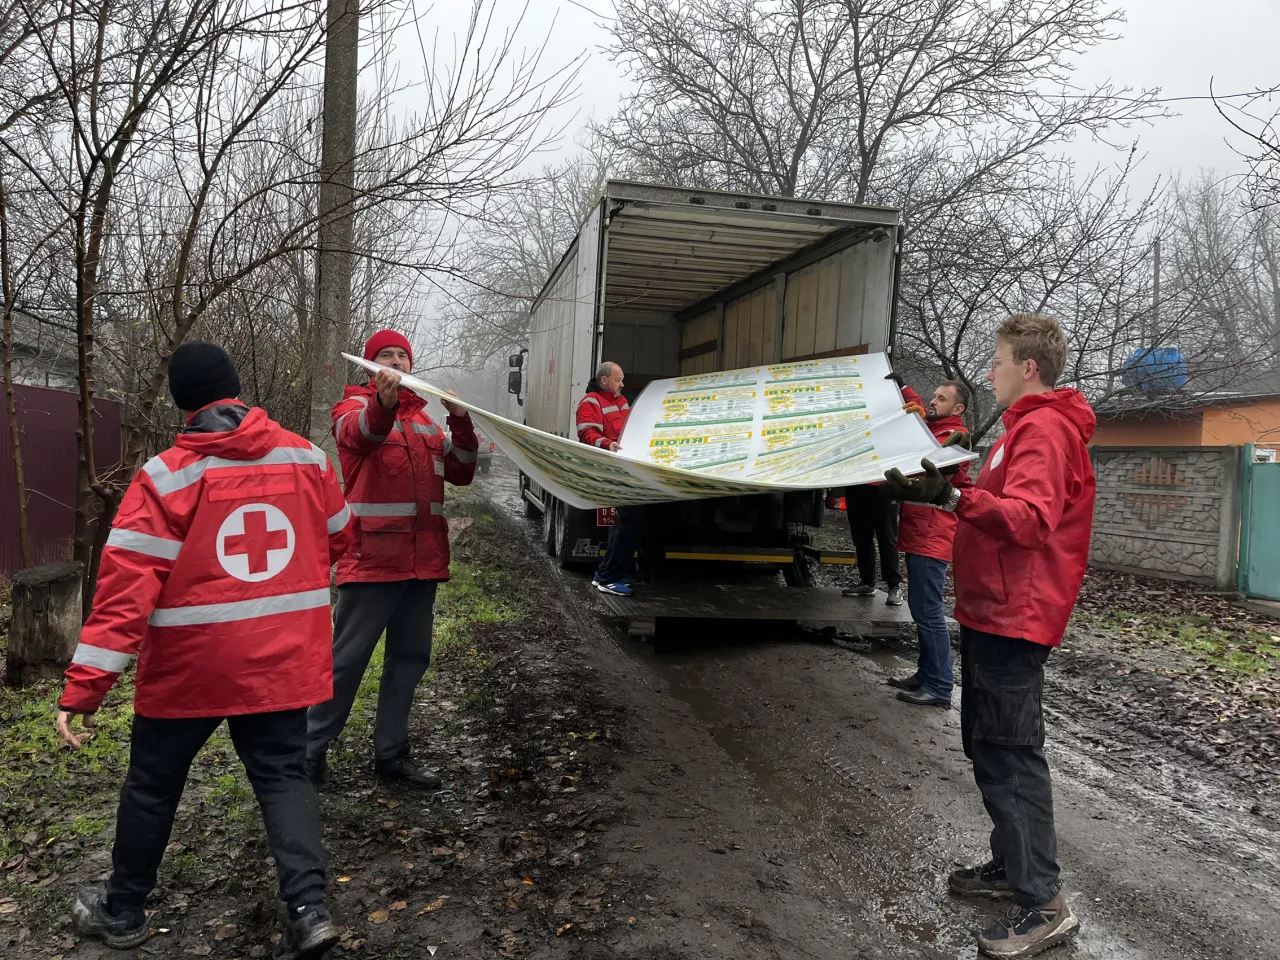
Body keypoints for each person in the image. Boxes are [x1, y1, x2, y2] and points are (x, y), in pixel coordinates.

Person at [56, 341, 352, 958]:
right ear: (236, 389)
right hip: (280, 665)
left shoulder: (165, 478)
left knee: (153, 786)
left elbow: (123, 594)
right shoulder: (307, 460)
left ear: (180, 404)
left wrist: (86, 688)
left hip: (190, 671)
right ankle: (308, 910)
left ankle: (124, 909)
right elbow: (342, 542)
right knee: (282, 778)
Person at [883, 314, 1094, 958]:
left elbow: (1029, 521)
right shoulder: (1017, 432)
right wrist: (953, 487)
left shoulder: (1045, 431)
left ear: (1027, 367)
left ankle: (1044, 902)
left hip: (1016, 615)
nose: (988, 372)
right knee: (987, 743)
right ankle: (1011, 869)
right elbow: (1001, 501)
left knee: (1010, 753)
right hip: (990, 611)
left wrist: (953, 501)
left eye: (997, 360)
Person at [306, 330, 478, 790]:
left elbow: (461, 471)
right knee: (347, 662)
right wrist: (381, 403)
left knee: (409, 660)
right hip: (374, 561)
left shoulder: (426, 423)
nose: (398, 361)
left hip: (423, 564)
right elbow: (361, 435)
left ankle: (392, 756)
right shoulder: (352, 408)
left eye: (403, 355)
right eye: (387, 356)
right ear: (369, 366)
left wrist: (460, 422)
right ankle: (309, 753)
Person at [890, 380, 971, 708]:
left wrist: (915, 415)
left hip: (932, 537)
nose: (933, 401)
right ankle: (926, 675)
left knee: (929, 612)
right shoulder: (936, 428)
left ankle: (939, 685)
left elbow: (929, 458)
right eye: (932, 395)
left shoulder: (956, 438)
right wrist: (907, 389)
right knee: (920, 608)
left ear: (958, 408)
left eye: (942, 398)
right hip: (920, 534)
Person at [576, 361, 639, 597]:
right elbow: (586, 433)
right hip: (608, 470)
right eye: (618, 380)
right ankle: (610, 577)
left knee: (626, 522)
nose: (622, 384)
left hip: (624, 471)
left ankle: (605, 574)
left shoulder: (621, 402)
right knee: (627, 521)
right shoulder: (591, 402)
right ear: (604, 380)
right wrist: (607, 444)